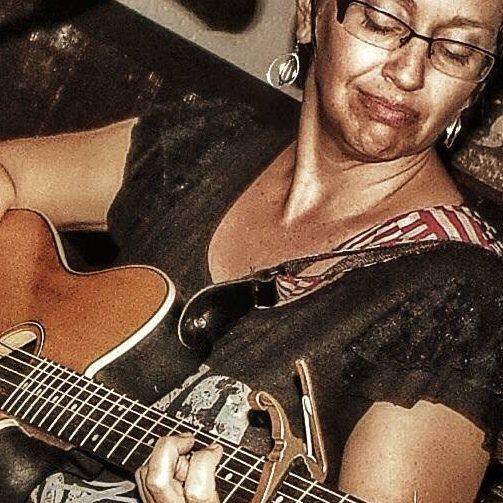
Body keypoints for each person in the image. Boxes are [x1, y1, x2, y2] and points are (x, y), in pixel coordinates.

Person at [0, 0, 502, 501]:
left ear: (476, 86)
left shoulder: (464, 302)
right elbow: (12, 179)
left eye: (458, 51)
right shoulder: (204, 147)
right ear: (307, 14)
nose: (409, 72)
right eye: (382, 21)